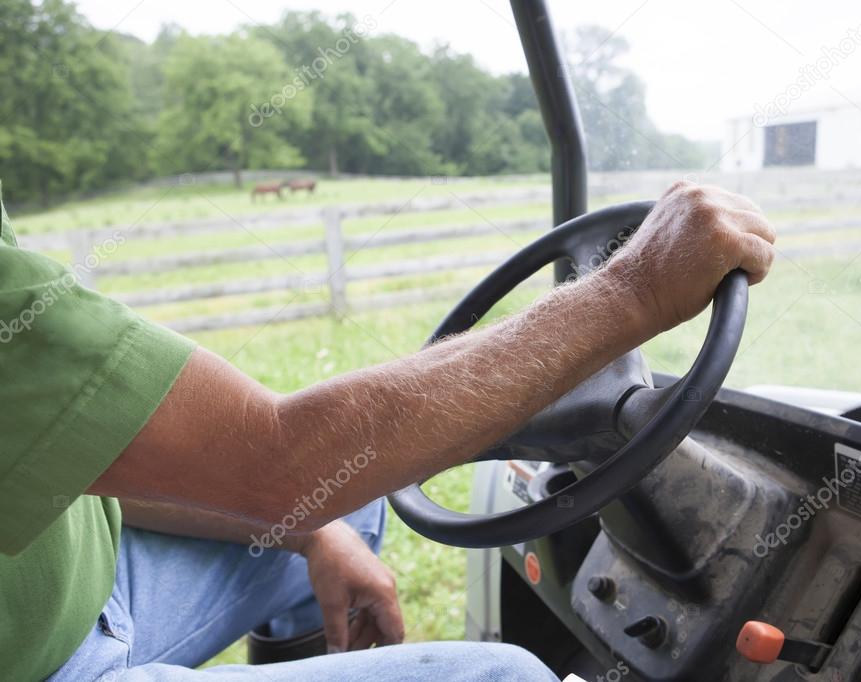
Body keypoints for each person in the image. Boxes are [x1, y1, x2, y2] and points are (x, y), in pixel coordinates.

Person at [0, 180, 775, 680]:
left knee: (343, 512)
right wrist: (631, 292)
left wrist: (306, 531)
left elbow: (68, 450)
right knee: (508, 679)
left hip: (76, 581)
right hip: (44, 663)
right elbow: (279, 459)